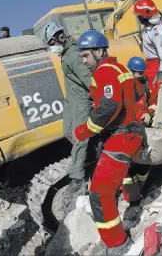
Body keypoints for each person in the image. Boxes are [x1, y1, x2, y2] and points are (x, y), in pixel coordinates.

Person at [74, 30, 144, 255]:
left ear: (98, 51)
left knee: (99, 192)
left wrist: (83, 131)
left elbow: (108, 106)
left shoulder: (104, 71)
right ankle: (134, 200)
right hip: (130, 132)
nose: (83, 61)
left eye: (85, 56)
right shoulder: (120, 69)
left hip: (123, 136)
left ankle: (118, 244)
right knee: (125, 174)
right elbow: (137, 93)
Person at [43, 22, 93, 213]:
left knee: (80, 136)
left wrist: (98, 100)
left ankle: (78, 177)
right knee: (67, 132)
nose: (51, 45)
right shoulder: (65, 54)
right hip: (71, 101)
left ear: (60, 37)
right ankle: (87, 155)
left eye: (52, 41)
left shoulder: (72, 55)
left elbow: (88, 79)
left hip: (81, 102)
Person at [133, 0, 162, 90]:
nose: (138, 17)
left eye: (140, 15)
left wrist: (161, 74)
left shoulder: (157, 32)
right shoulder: (148, 27)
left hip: (156, 65)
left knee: (154, 94)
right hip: (150, 64)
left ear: (147, 14)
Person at [127, 56, 151, 123]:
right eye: (140, 73)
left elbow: (149, 100)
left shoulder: (144, 83)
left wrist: (149, 113)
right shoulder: (127, 85)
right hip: (134, 119)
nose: (142, 75)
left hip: (144, 116)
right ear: (131, 72)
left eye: (143, 72)